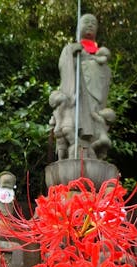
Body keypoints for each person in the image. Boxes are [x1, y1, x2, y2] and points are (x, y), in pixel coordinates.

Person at [50, 13, 113, 160]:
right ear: (78, 27)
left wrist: (98, 65)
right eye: (86, 22)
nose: (90, 25)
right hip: (77, 94)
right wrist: (72, 54)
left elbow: (105, 77)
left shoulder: (100, 55)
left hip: (95, 97)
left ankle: (94, 146)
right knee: (74, 120)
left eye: (94, 23)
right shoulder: (72, 49)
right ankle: (76, 144)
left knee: (96, 118)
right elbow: (64, 65)